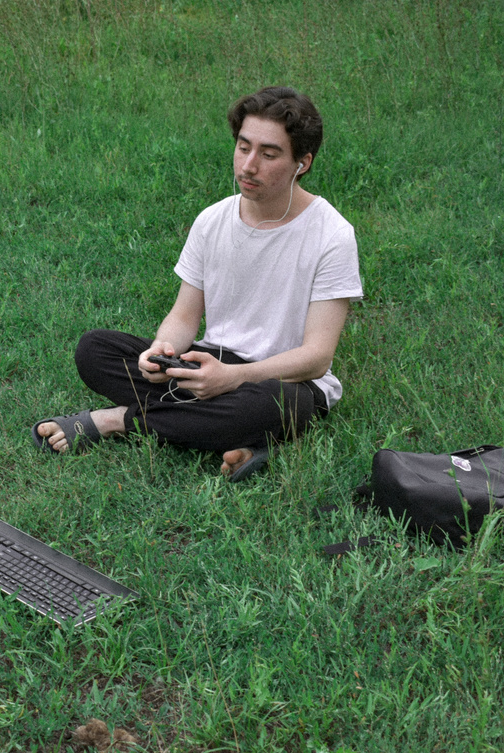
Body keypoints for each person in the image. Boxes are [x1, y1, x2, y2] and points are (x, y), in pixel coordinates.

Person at [31, 86, 363, 481]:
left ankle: (117, 421)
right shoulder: (213, 220)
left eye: (269, 154)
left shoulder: (332, 234)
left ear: (302, 163)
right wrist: (161, 351)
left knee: (266, 407)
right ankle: (238, 437)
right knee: (94, 350)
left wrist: (234, 377)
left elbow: (317, 357)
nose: (248, 166)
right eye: (243, 147)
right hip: (210, 364)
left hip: (284, 383)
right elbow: (185, 316)